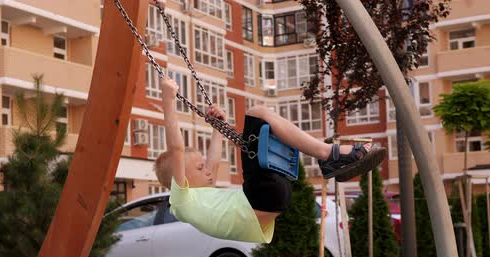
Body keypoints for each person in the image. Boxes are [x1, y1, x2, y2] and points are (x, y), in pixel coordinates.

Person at [154, 76, 386, 243]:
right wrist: (168, 101)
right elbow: (176, 147)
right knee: (258, 114)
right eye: (199, 167)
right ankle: (329, 155)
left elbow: (214, 159)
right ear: (180, 177)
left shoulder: (201, 196)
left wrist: (218, 126)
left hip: (272, 197)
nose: (207, 170)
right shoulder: (181, 199)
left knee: (263, 129)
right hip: (259, 199)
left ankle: (328, 155)